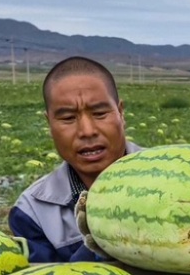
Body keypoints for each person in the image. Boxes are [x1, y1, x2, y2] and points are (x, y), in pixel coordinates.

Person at [8, 56, 139, 262]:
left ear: (121, 114)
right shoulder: (32, 212)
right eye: (68, 118)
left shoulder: (172, 177)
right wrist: (98, 239)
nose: (87, 131)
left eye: (99, 113)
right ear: (49, 123)